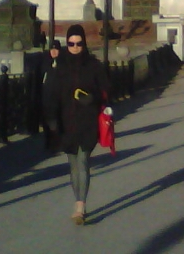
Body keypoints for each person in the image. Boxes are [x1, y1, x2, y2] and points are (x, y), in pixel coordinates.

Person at [44, 24, 110, 225]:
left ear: (84, 43)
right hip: (67, 122)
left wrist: (93, 98)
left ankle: (80, 206)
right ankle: (78, 200)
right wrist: (52, 119)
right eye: (71, 43)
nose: (75, 47)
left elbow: (107, 89)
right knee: (73, 165)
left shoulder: (93, 65)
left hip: (87, 121)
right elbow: (52, 94)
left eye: (79, 43)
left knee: (82, 161)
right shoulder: (60, 66)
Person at [41, 39, 62, 151]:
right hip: (46, 98)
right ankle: (48, 142)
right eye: (52, 49)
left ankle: (57, 142)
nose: (53, 52)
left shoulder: (63, 64)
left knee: (56, 121)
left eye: (56, 49)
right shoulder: (46, 63)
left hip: (58, 98)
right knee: (47, 122)